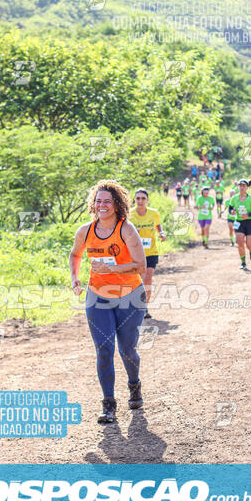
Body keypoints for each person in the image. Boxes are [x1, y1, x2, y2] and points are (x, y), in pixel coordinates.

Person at [69, 180, 146, 424]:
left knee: (127, 350)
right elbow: (75, 254)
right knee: (104, 349)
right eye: (98, 201)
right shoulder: (85, 231)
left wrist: (112, 267)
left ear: (116, 205)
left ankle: (134, 385)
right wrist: (75, 278)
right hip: (97, 296)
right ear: (93, 204)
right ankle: (109, 404)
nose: (102, 205)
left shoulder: (126, 229)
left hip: (129, 297)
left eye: (107, 201)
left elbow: (140, 266)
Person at [129, 189, 166, 319]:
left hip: (151, 251)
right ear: (134, 200)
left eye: (143, 198)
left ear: (147, 200)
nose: (140, 201)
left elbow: (158, 225)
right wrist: (134, 234)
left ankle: (144, 308)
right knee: (139, 280)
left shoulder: (154, 213)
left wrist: (161, 233)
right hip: (135, 252)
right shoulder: (129, 215)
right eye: (138, 198)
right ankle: (136, 306)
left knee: (147, 279)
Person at [229, 179, 251, 269]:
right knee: (240, 242)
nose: (242, 187)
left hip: (250, 222)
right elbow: (230, 208)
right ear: (238, 187)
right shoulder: (234, 198)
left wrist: (248, 215)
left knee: (249, 245)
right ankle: (243, 262)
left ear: (247, 187)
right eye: (240, 185)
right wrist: (232, 212)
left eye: (244, 186)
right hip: (238, 221)